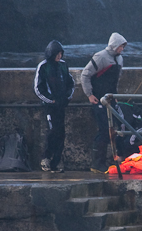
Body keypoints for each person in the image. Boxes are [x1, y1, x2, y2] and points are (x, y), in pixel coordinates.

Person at [80, 32, 127, 173]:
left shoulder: (119, 60)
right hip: (98, 99)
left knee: (116, 129)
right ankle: (97, 163)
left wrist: (115, 94)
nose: (122, 49)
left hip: (110, 99)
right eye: (121, 46)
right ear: (114, 46)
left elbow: (115, 79)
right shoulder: (100, 57)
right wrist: (89, 94)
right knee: (104, 130)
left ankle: (113, 159)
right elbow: (85, 75)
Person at [34, 40, 75, 172]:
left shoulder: (63, 65)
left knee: (61, 133)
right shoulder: (43, 66)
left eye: (61, 53)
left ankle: (57, 161)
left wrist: (67, 97)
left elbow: (71, 83)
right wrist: (51, 100)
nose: (59, 56)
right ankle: (46, 158)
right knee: (53, 131)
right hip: (50, 107)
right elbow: (38, 88)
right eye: (57, 54)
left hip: (61, 105)